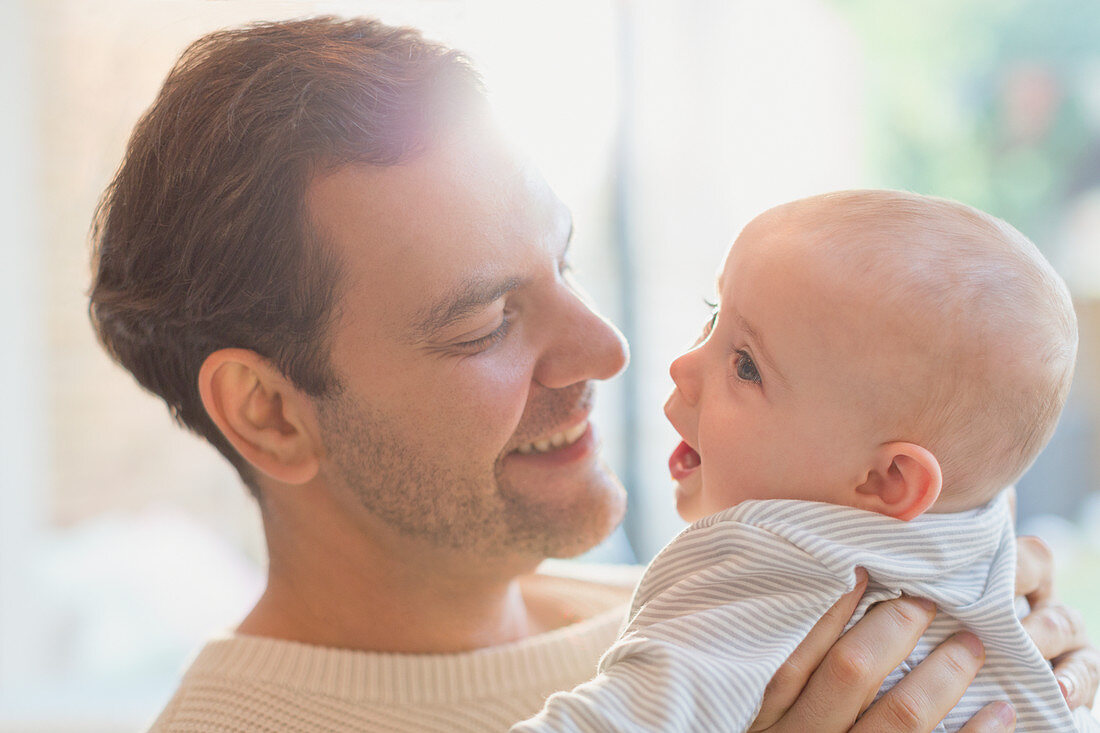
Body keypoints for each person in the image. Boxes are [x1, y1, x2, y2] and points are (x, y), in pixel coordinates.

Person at [86, 17, 1097, 733]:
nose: (606, 350)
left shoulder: (746, 607)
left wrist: (989, 612)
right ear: (268, 413)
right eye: (486, 321)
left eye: (562, 264)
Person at [515, 190, 1098, 732]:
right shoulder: (979, 524)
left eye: (745, 365)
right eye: (712, 316)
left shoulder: (761, 572)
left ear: (889, 480)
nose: (682, 366)